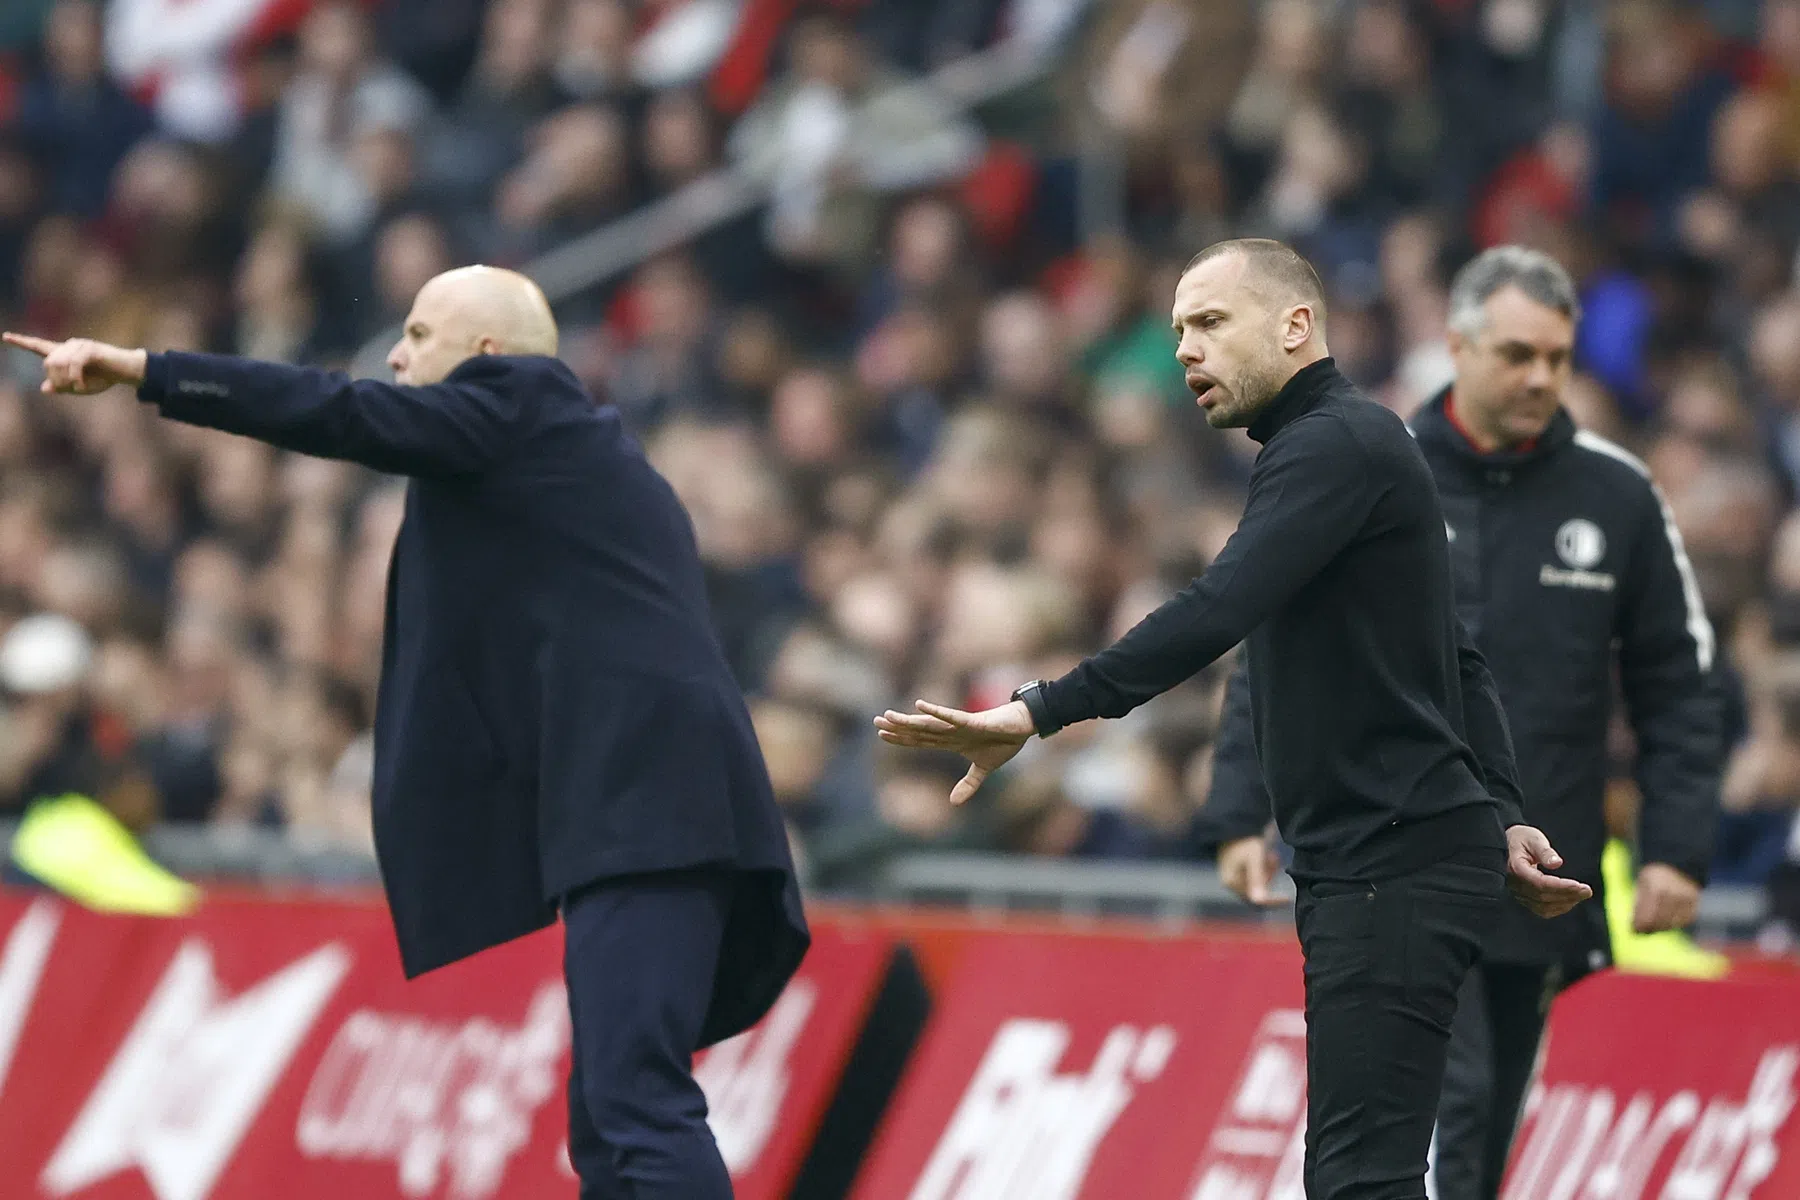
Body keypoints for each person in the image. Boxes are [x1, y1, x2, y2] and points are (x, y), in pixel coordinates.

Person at [5, 265, 810, 1200]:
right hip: (639, 810)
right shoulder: (554, 455)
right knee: (609, 1112)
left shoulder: (521, 407)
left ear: (488, 356)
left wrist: (150, 371)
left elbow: (342, 414)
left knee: (634, 1103)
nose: (395, 352)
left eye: (421, 335)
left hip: (649, 811)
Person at [873, 238, 1593, 1200]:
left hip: (1394, 862)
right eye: (1176, 331)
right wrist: (1501, 810)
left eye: (1210, 322)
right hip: (1384, 857)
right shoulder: (1343, 449)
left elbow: (1217, 610)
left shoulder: (1335, 443)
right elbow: (1454, 660)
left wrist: (1037, 711)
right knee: (1362, 1176)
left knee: (1360, 1181)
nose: (1185, 351)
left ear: (1297, 326)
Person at [1206, 245, 1723, 1200]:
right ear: (1457, 345)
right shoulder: (1370, 461)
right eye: (1517, 354)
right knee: (1461, 1101)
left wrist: (1677, 845)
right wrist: (1239, 804)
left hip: (1538, 861)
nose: (1540, 378)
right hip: (1397, 845)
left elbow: (1677, 680)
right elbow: (1269, 632)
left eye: (1558, 359)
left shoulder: (1618, 495)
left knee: (1479, 1130)